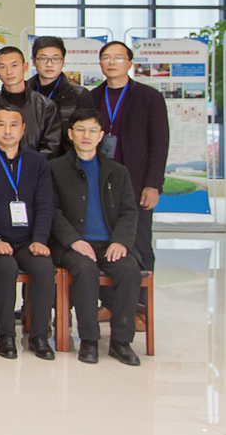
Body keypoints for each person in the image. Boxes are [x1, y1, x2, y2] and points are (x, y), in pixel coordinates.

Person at [49, 109, 143, 365]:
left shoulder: (117, 171)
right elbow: (51, 211)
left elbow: (129, 211)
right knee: (85, 270)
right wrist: (74, 240)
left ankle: (121, 342)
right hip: (72, 245)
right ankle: (89, 340)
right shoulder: (55, 168)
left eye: (92, 130)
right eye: (81, 130)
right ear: (70, 134)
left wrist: (120, 241)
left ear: (101, 136)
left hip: (109, 244)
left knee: (129, 270)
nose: (86, 136)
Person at [0, 105, 58, 361]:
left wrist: (40, 239)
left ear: (23, 129)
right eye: (1, 124)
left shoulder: (37, 162)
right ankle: (5, 334)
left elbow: (45, 205)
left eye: (13, 124)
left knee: (44, 267)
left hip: (27, 239)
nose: (7, 130)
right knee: (6, 266)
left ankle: (39, 335)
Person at [93, 40, 167, 327]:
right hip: (100, 185)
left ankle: (139, 309)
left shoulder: (149, 97)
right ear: (100, 63)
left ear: (130, 63)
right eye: (106, 57)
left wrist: (153, 184)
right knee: (103, 244)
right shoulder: (92, 97)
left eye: (118, 57)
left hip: (136, 185)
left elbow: (159, 144)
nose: (112, 62)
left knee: (139, 245)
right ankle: (110, 305)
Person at [29, 35, 95, 155]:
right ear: (34, 61)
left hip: (66, 161)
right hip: (30, 161)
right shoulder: (25, 92)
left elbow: (85, 134)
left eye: (55, 59)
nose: (49, 64)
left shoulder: (79, 95)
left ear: (63, 61)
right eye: (43, 58)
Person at [0, 46, 60, 156]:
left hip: (36, 165)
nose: (9, 72)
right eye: (3, 67)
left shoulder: (45, 106)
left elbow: (51, 147)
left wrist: (32, 165)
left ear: (25, 67)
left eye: (14, 65)